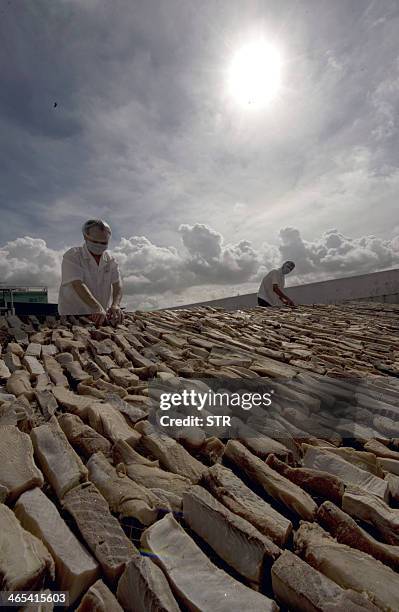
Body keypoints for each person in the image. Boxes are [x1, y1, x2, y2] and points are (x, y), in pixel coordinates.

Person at [58, 219, 124, 325]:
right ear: (85, 237)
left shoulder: (110, 259)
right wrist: (96, 307)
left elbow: (117, 283)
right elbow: (77, 284)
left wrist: (115, 305)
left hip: (101, 315)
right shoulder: (73, 256)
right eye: (95, 241)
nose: (99, 245)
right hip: (74, 315)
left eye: (103, 243)